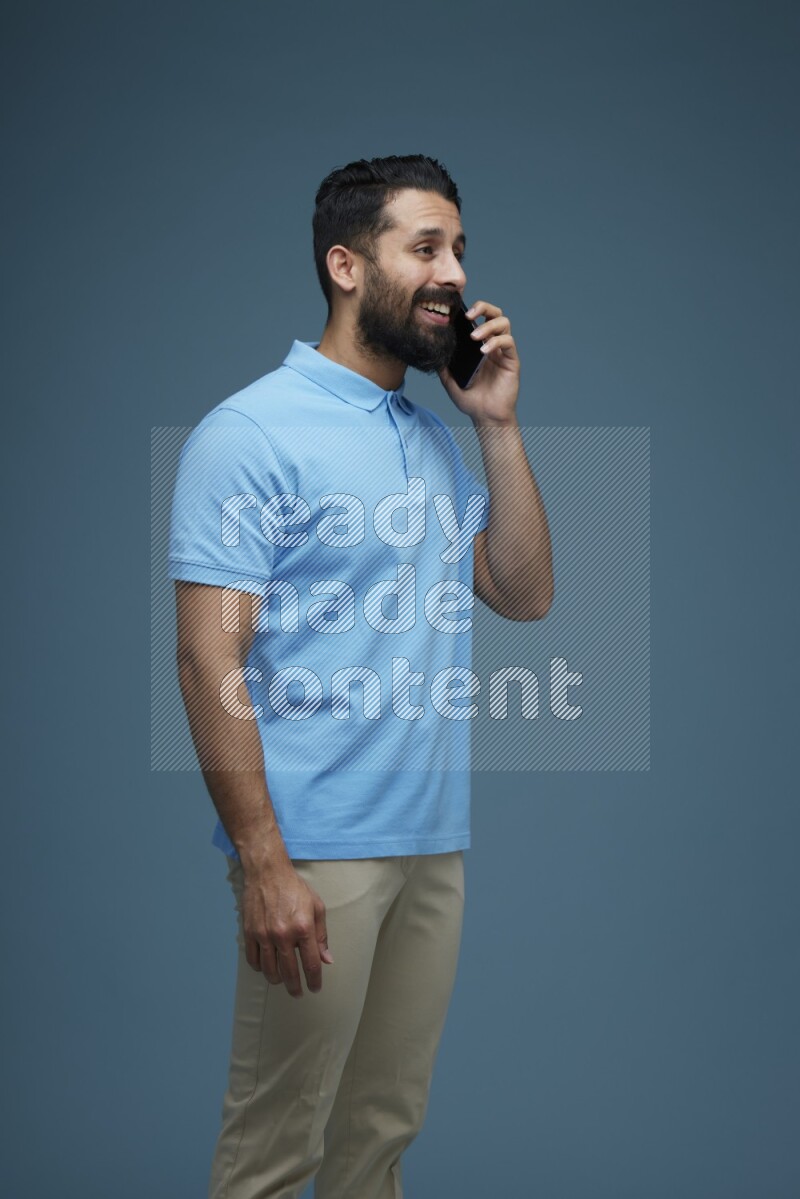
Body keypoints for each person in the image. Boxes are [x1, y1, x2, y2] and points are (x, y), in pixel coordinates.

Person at [168, 153, 554, 1199]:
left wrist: (498, 426)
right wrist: (262, 860)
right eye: (422, 246)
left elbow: (523, 593)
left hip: (431, 842)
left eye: (459, 248)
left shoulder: (431, 439)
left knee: (378, 1136)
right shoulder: (248, 435)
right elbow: (210, 654)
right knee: (273, 1150)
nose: (452, 273)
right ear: (345, 264)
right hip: (313, 849)